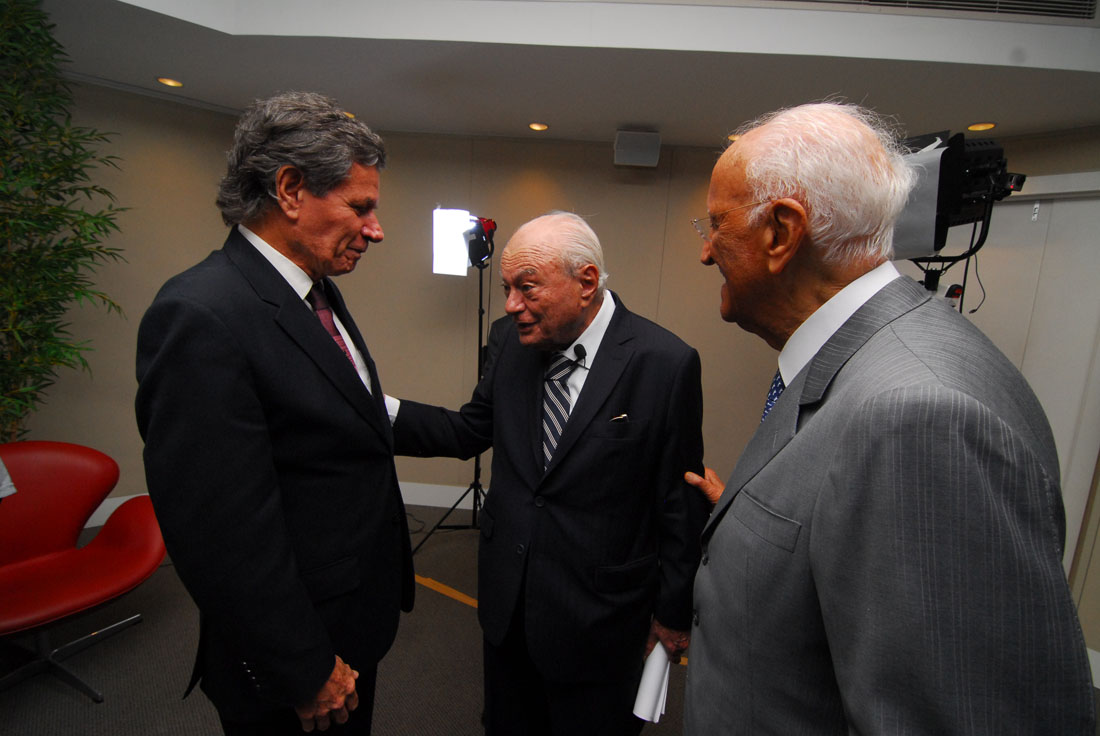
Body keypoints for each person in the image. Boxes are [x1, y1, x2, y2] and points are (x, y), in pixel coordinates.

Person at [682, 101, 1095, 734]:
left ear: (782, 232)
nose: (706, 252)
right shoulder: (862, 362)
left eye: (717, 224)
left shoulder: (919, 416)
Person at [135, 91, 414, 736]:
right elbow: (218, 530)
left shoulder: (314, 290)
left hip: (346, 620)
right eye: (360, 207)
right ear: (289, 190)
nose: (375, 229)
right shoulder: (200, 313)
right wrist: (302, 667)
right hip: (295, 659)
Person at [391, 211, 710, 735]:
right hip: (509, 608)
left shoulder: (664, 363)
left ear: (586, 282)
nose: (511, 305)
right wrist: (374, 409)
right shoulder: (508, 341)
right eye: (506, 288)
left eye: (527, 287)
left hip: (601, 622)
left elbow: (678, 501)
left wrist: (674, 612)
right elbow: (470, 430)